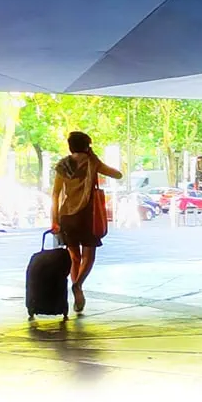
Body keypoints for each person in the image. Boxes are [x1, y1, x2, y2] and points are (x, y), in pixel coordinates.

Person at [50, 131, 120, 314]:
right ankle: (78, 285)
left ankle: (77, 292)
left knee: (74, 257)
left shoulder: (62, 166)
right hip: (87, 215)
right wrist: (94, 158)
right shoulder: (92, 163)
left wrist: (54, 220)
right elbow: (117, 175)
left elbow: (56, 194)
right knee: (89, 255)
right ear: (87, 146)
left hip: (67, 216)